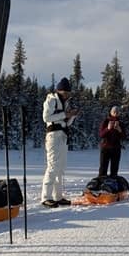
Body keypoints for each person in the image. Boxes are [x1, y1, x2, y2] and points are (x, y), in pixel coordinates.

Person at [41, 77, 79, 207]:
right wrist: (65, 115)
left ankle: (58, 196)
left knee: (60, 168)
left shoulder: (65, 103)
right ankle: (46, 197)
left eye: (69, 93)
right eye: (66, 92)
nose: (68, 95)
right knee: (53, 166)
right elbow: (46, 117)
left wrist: (72, 116)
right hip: (53, 135)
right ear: (59, 90)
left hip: (62, 135)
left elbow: (66, 122)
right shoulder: (51, 100)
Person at [98, 105, 125, 177]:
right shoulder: (106, 121)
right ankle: (101, 183)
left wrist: (120, 130)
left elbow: (124, 137)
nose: (116, 113)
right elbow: (101, 135)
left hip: (116, 148)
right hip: (105, 148)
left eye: (117, 112)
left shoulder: (120, 123)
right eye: (114, 112)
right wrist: (108, 129)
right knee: (103, 169)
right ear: (111, 112)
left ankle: (113, 184)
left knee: (114, 170)